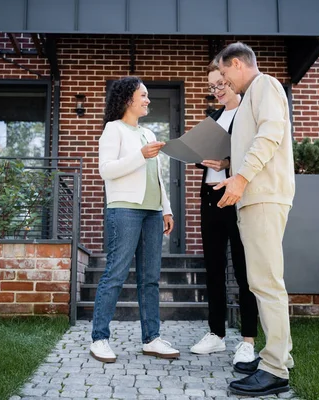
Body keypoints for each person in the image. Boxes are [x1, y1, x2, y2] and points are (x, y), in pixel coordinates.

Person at [214, 42, 295, 397]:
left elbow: (270, 135)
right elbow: (254, 144)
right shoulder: (250, 97)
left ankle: (275, 369)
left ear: (236, 64)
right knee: (262, 280)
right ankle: (277, 357)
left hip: (262, 196)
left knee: (266, 282)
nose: (224, 80)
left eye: (225, 73)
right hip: (253, 197)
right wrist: (231, 169)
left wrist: (243, 177)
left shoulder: (265, 85)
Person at [90, 76, 180, 363]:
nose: (148, 100)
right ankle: (100, 338)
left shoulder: (149, 133)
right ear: (128, 98)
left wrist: (166, 208)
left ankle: (151, 338)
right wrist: (140, 155)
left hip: (152, 212)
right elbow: (106, 170)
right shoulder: (113, 130)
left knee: (150, 278)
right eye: (143, 95)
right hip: (125, 209)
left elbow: (156, 176)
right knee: (115, 274)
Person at [190, 61, 258, 366]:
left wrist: (227, 163)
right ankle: (216, 335)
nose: (216, 91)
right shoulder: (214, 116)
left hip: (237, 196)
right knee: (214, 270)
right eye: (212, 87)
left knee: (244, 272)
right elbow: (201, 158)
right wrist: (201, 157)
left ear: (232, 79)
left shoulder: (248, 113)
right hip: (210, 197)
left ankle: (247, 341)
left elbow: (252, 156)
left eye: (220, 84)